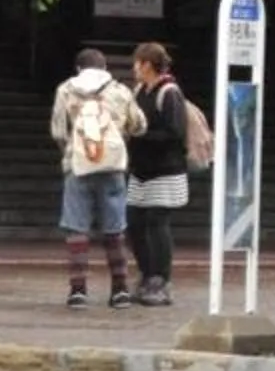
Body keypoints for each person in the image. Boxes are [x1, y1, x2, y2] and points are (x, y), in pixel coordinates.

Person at [49, 48, 146, 308]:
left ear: (79, 68)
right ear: (105, 68)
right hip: (112, 167)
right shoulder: (120, 91)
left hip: (78, 168)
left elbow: (58, 131)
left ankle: (78, 291)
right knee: (114, 230)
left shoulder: (66, 90)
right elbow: (139, 125)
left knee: (77, 230)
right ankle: (120, 290)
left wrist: (71, 153)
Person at [123, 42, 192, 309]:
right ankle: (146, 274)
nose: (134, 69)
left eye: (137, 63)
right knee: (135, 223)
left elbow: (175, 132)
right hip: (140, 170)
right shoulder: (140, 90)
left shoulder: (169, 92)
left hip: (165, 170)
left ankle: (160, 280)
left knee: (157, 222)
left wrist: (141, 136)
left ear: (148, 65)